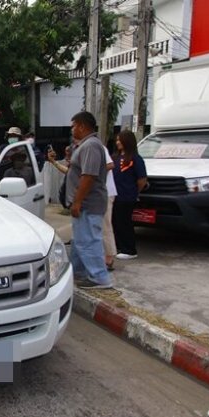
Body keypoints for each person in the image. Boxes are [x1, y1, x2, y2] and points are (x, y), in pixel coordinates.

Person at [65, 111, 112, 290]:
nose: (72, 130)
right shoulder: (84, 146)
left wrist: (77, 202)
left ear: (82, 126)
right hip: (84, 204)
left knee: (89, 241)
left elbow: (88, 176)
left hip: (88, 204)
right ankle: (78, 272)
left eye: (73, 126)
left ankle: (99, 277)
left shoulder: (91, 145)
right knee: (79, 241)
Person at [112, 129, 148, 260]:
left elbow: (142, 180)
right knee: (115, 222)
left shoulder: (135, 159)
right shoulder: (115, 157)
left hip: (127, 196)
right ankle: (119, 246)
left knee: (125, 222)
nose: (117, 142)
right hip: (114, 196)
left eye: (119, 139)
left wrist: (134, 192)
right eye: (116, 140)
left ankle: (130, 249)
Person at [102, 149, 117, 271]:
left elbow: (110, 164)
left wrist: (93, 173)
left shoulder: (98, 147)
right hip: (99, 193)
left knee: (105, 225)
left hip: (105, 193)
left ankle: (109, 258)